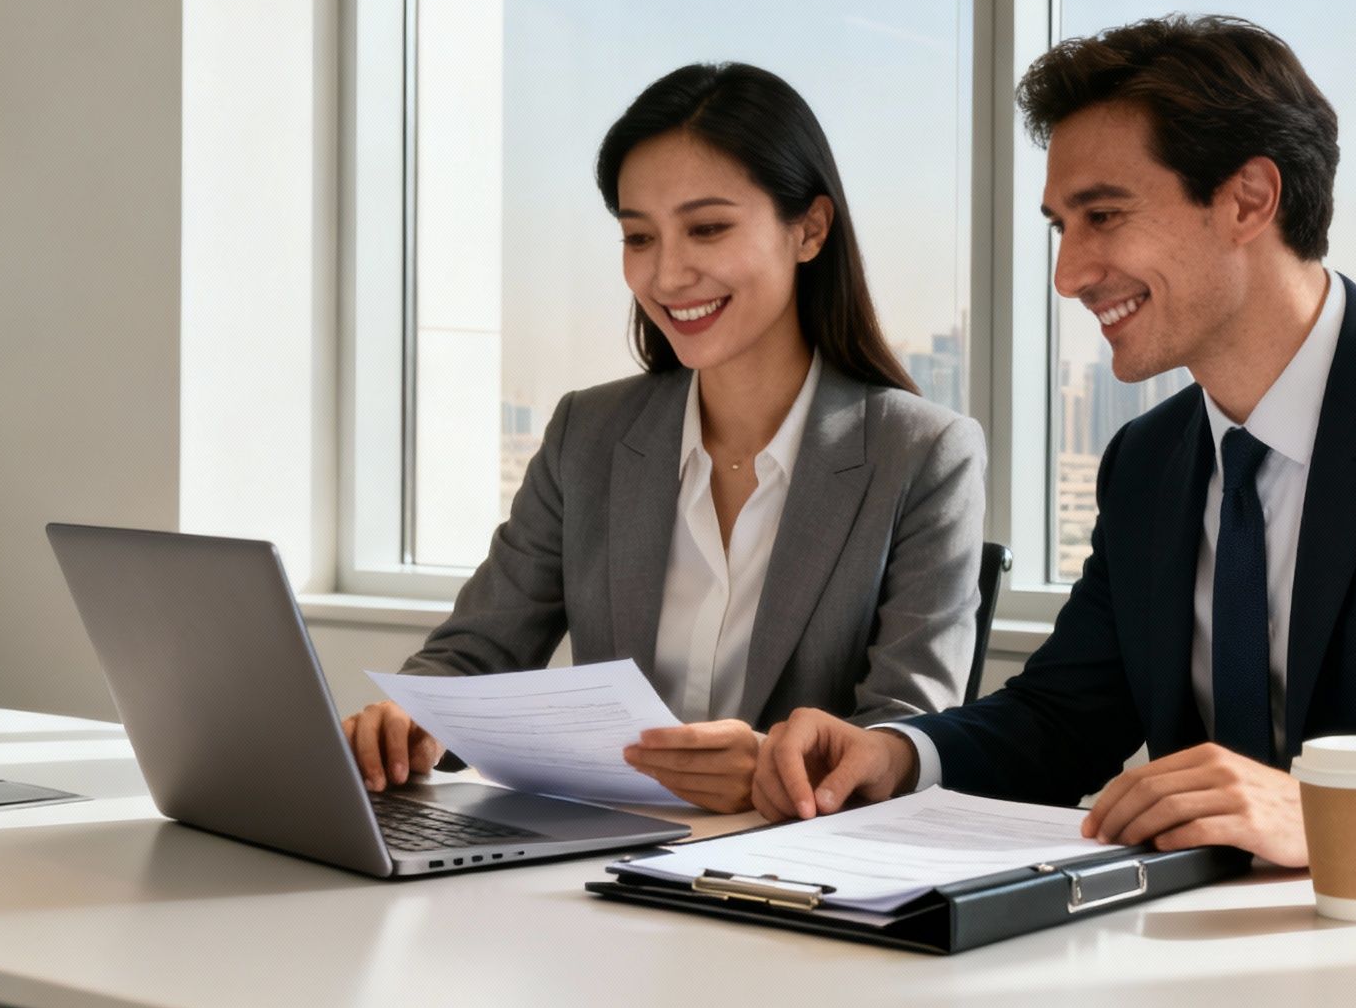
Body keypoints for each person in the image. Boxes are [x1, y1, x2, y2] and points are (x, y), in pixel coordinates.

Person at [755, 15, 1356, 874]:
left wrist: (1337, 812)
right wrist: (894, 754)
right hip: (1208, 956)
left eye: (1104, 215)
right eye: (1060, 227)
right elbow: (1063, 720)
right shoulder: (1150, 464)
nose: (1070, 273)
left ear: (1248, 199)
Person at [341, 63, 987, 814]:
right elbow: (475, 651)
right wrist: (416, 716)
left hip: (793, 881)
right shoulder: (588, 434)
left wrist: (772, 774)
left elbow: (904, 732)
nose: (668, 273)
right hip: (593, 863)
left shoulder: (922, 453)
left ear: (809, 229)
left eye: (707, 228)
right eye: (638, 236)